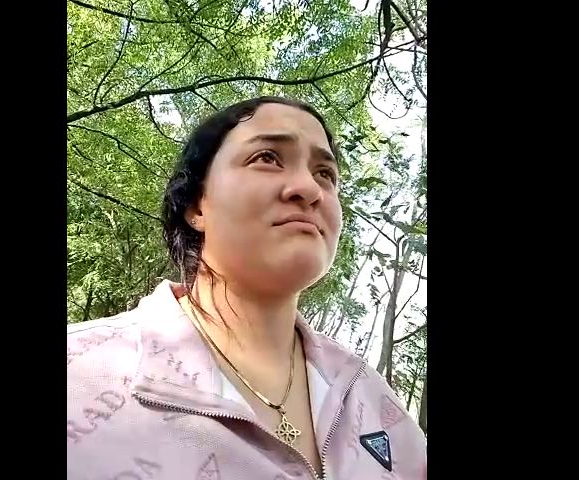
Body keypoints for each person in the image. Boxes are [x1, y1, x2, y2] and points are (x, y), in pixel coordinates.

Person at [67, 96, 426, 479]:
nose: (309, 188)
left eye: (325, 173)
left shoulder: (375, 402)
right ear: (197, 206)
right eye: (267, 157)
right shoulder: (81, 375)